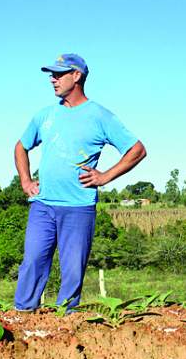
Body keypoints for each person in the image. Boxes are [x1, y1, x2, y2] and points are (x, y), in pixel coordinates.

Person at [13, 53, 146, 311]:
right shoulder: (45, 116)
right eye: (52, 74)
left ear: (77, 76)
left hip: (78, 206)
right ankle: (23, 315)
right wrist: (26, 181)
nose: (53, 79)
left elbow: (137, 150)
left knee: (73, 268)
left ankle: (66, 321)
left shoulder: (99, 116)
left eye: (59, 74)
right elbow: (20, 146)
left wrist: (105, 176)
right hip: (43, 204)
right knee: (33, 261)